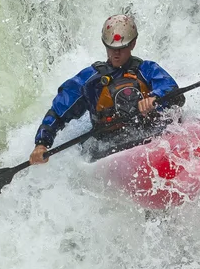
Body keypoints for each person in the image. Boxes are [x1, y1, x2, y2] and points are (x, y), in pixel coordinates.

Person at [29, 14, 184, 164]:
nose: (116, 53)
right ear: (105, 44)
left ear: (133, 44)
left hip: (151, 139)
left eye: (122, 48)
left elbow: (174, 92)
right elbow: (58, 111)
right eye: (111, 48)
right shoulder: (89, 80)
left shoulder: (147, 69)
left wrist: (155, 97)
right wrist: (42, 143)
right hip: (109, 149)